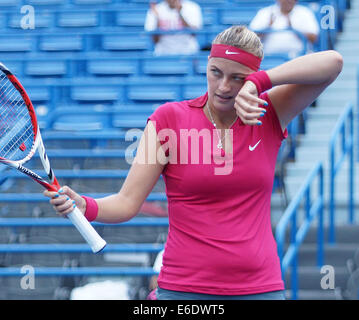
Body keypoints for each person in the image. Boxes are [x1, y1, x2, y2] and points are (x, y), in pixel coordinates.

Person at [44, 25, 343, 300]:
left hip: (259, 287)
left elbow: (333, 63)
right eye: (216, 72)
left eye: (238, 77)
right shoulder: (167, 120)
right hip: (183, 289)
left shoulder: (268, 113)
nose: (224, 86)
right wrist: (85, 206)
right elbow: (126, 202)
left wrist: (262, 82)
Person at [249, 0, 319, 58]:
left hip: (299, 57)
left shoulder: (305, 12)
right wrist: (267, 28)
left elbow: (314, 38)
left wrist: (294, 29)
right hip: (269, 57)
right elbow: (251, 39)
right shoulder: (265, 12)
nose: (289, 1)